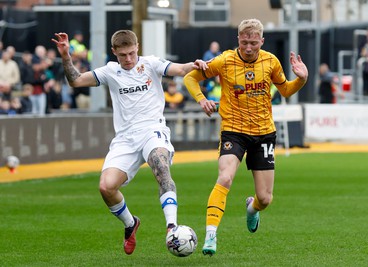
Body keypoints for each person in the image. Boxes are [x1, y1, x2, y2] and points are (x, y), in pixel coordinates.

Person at [52, 30, 207, 255]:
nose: (128, 59)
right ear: (114, 52)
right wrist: (66, 55)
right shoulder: (110, 71)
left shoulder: (151, 64)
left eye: (132, 53)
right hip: (125, 139)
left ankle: (171, 227)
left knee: (160, 166)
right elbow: (76, 81)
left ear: (138, 47)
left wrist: (195, 65)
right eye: (123, 55)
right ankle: (130, 223)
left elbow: (181, 69)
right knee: (106, 187)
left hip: (152, 130)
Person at [184, 18, 308, 256]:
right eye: (244, 43)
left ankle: (252, 209)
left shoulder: (271, 61)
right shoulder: (224, 60)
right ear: (237, 40)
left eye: (253, 43)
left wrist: (301, 79)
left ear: (262, 41)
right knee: (225, 177)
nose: (249, 48)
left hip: (264, 134)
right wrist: (202, 99)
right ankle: (211, 234)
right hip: (234, 130)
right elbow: (190, 77)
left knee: (265, 198)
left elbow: (285, 90)